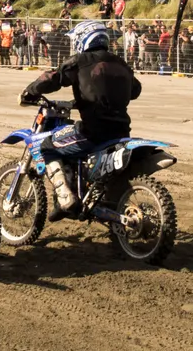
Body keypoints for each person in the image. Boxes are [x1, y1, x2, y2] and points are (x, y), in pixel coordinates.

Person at [19, 20, 141, 220]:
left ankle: (66, 197)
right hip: (122, 131)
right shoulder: (121, 64)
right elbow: (135, 90)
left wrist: (29, 91)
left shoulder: (80, 61)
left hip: (91, 131)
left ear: (83, 38)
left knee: (47, 146)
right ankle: (76, 197)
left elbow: (53, 78)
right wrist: (89, 98)